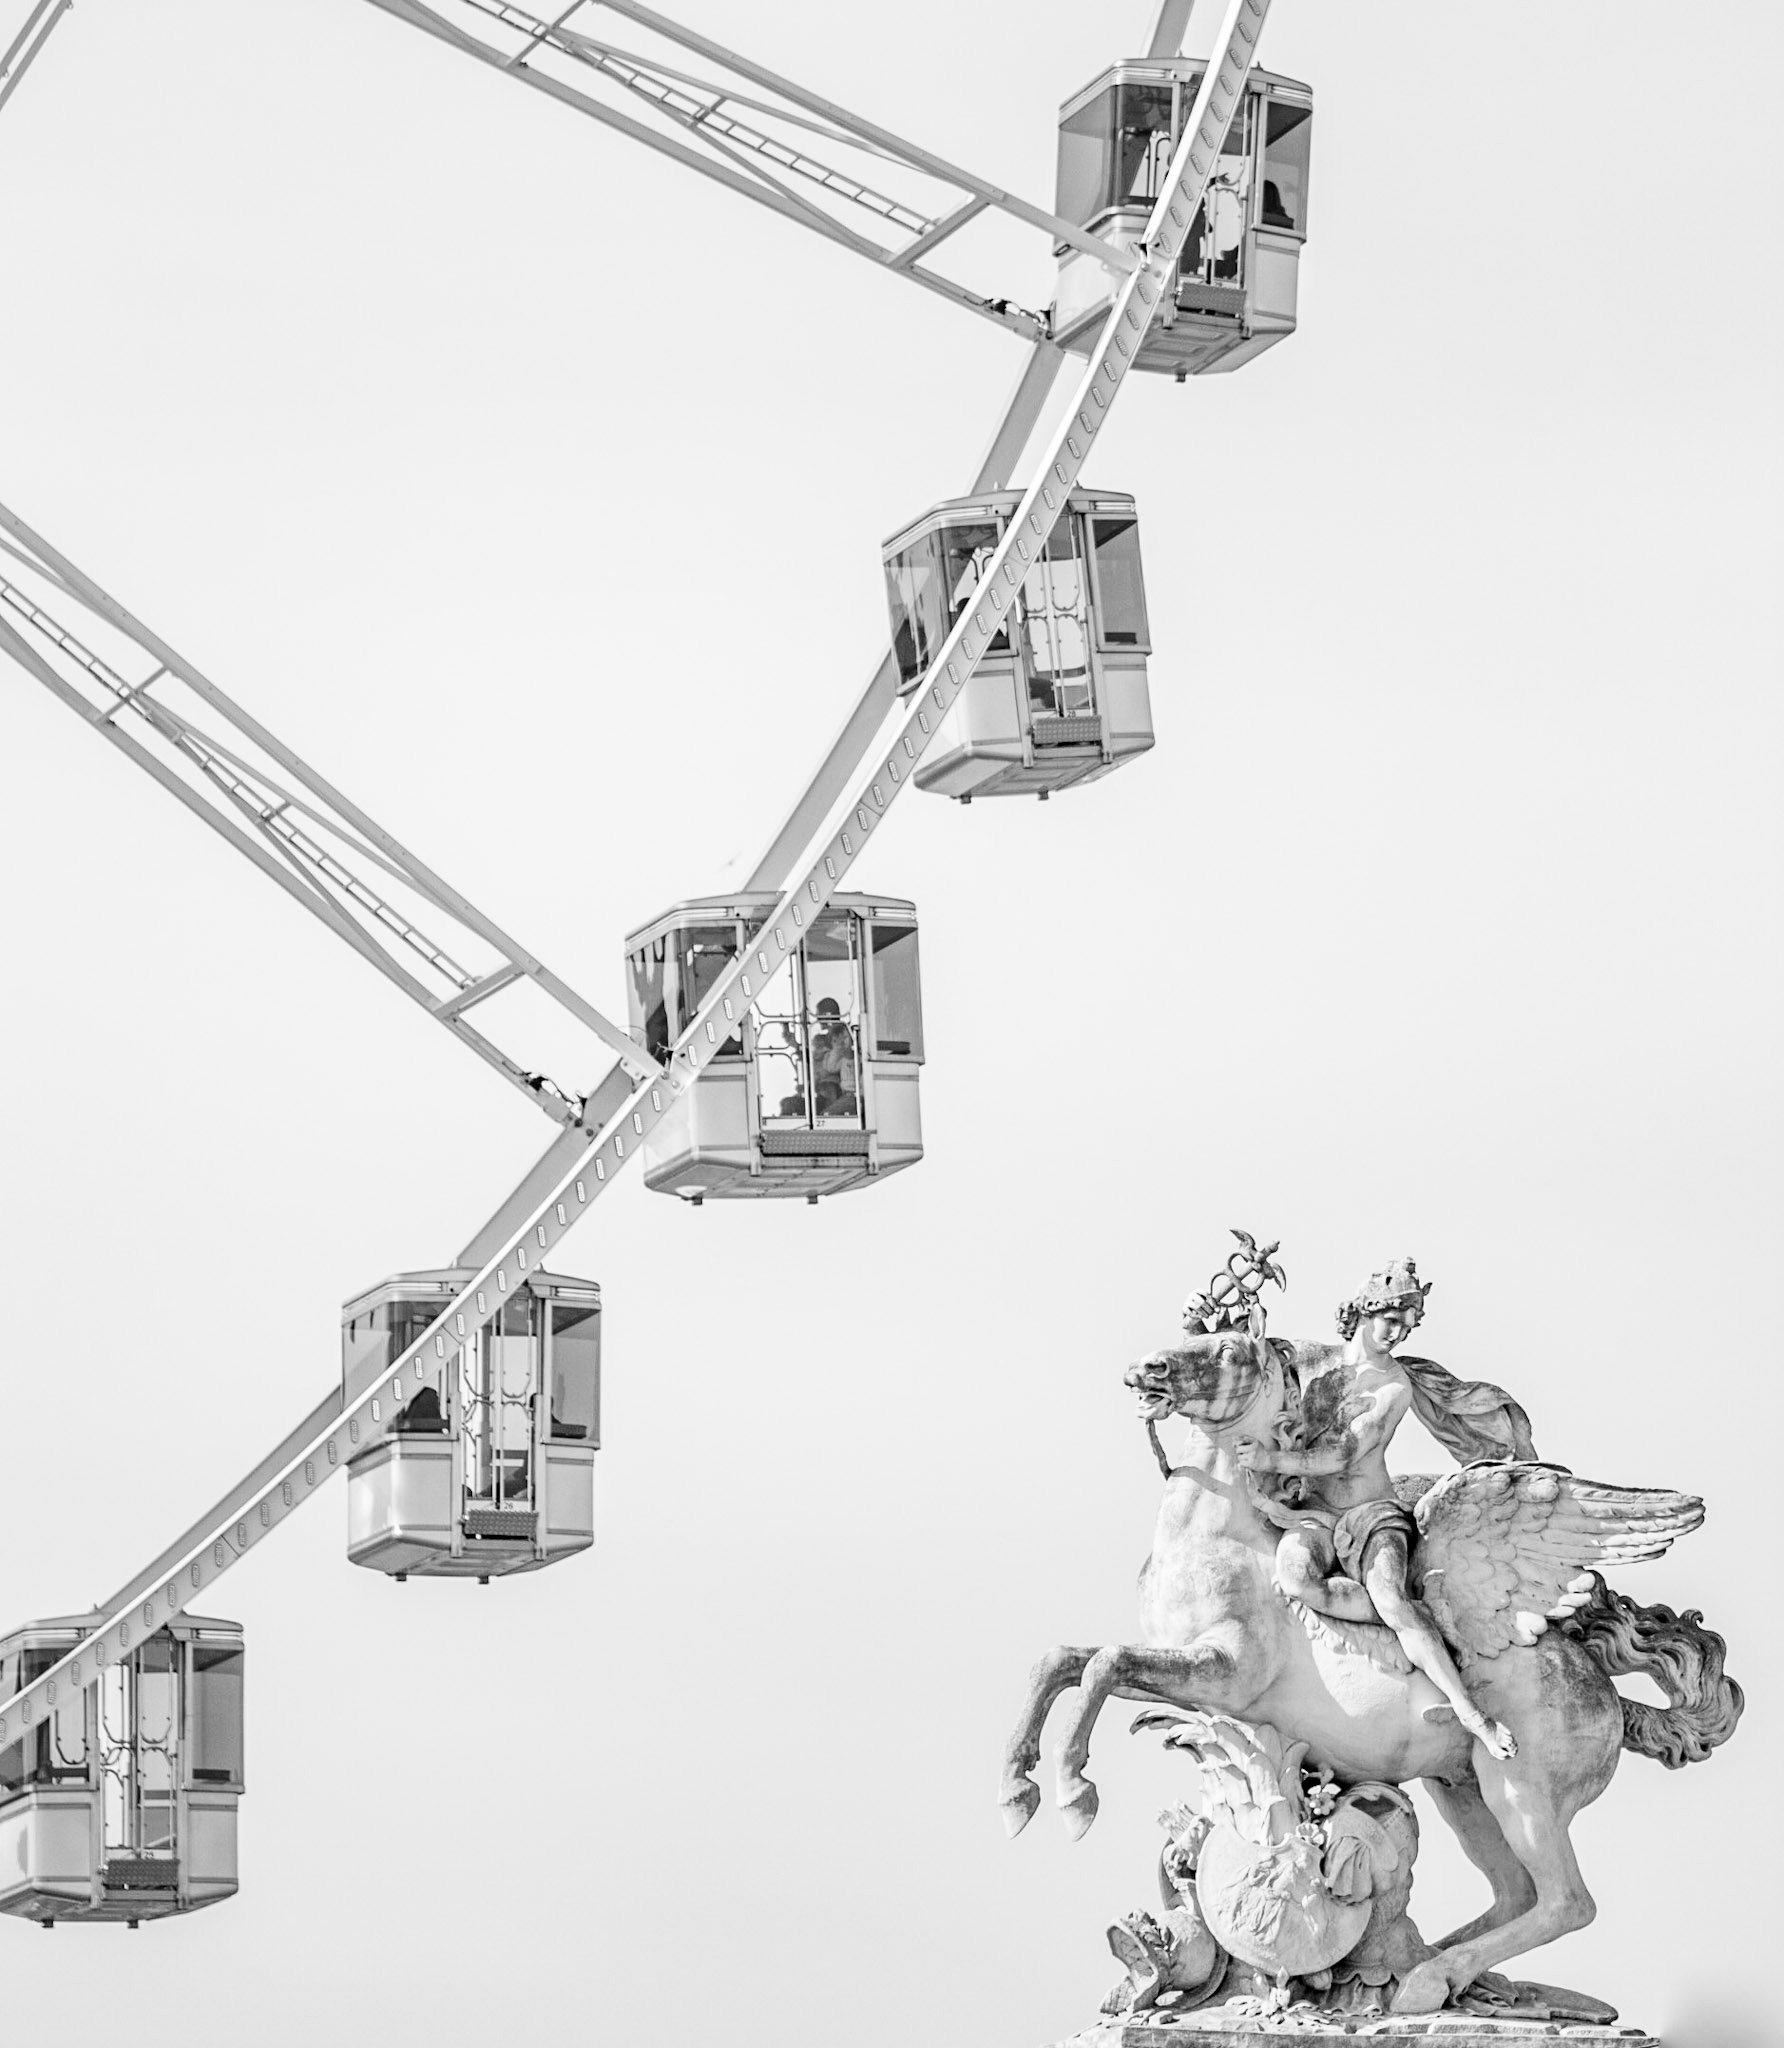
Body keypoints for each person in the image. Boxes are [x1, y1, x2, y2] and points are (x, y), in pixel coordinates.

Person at [1236, 1260, 1525, 1760]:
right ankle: (1404, 1630)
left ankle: (1467, 1709)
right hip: (1313, 1512)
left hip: (1374, 1516)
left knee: (1391, 1600)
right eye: (1392, 1320)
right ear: (1365, 1311)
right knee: (1296, 1578)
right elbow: (1238, 1360)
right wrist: (1199, 1322)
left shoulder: (1396, 1387)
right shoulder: (1312, 1361)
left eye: (1408, 1325)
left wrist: (1272, 1458)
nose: (1399, 1333)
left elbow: (1346, 1452)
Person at [809, 996, 858, 1119]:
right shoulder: (831, 1036)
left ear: (827, 1015)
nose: (818, 1020)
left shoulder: (840, 1035)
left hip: (836, 1088)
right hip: (827, 1085)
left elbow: (831, 1067)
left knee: (826, 1115)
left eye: (819, 1015)